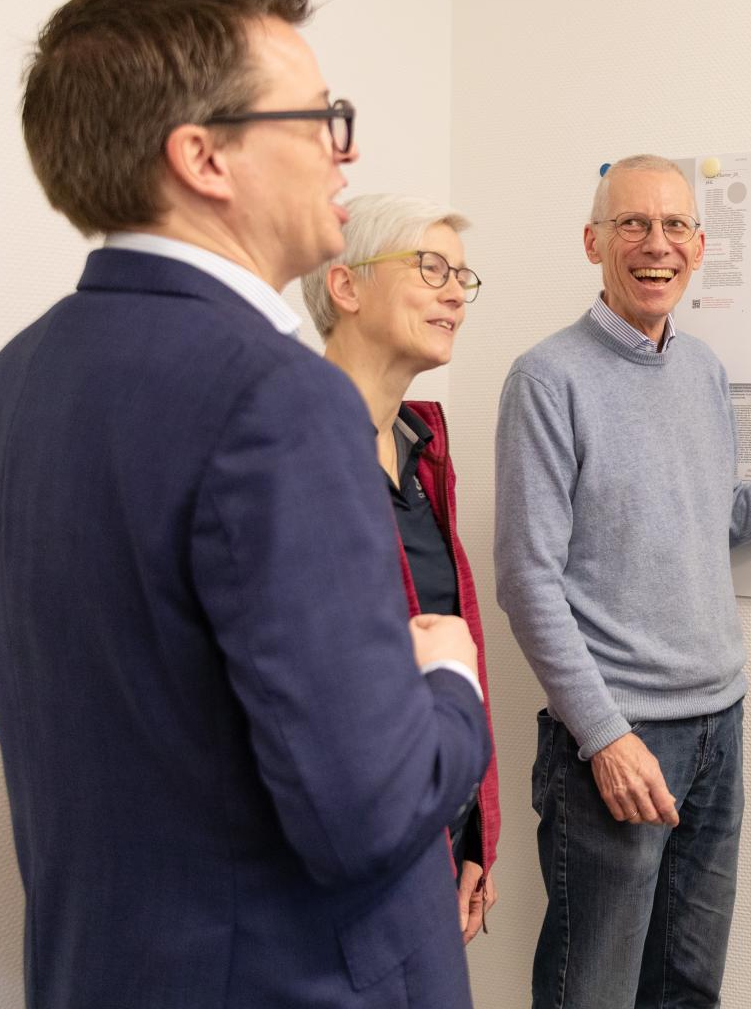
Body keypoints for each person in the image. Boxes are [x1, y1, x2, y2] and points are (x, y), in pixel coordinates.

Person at [0, 0, 490, 1008]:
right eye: (322, 117)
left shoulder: (11, 385)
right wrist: (449, 681)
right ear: (204, 157)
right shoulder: (280, 400)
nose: (348, 148)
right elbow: (367, 814)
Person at [495, 153, 751, 1008]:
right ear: (593, 240)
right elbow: (527, 580)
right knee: (591, 994)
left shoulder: (702, 371)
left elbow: (715, 525)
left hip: (719, 728)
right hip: (620, 736)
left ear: (700, 245)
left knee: (686, 991)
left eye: (674, 225)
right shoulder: (547, 377)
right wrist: (604, 738)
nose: (655, 244)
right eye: (633, 224)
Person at [304, 193, 503, 944]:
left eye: (462, 275)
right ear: (345, 285)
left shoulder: (425, 450)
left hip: (435, 831)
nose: (456, 292)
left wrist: (473, 833)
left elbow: (453, 644)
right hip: (354, 859)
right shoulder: (294, 450)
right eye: (430, 268)